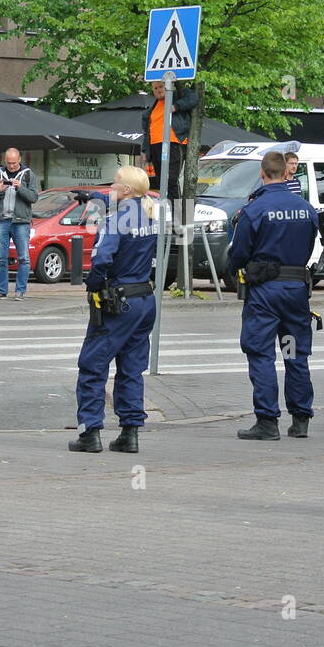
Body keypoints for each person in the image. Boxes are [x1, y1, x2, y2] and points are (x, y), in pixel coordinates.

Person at [227, 150, 319, 440]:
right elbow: (311, 243)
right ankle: (300, 418)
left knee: (262, 353)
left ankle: (267, 421)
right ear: (285, 173)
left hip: (266, 294)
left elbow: (238, 254)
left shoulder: (255, 209)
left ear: (263, 174)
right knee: (293, 353)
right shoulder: (305, 208)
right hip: (296, 292)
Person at [69, 165, 160, 453]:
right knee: (131, 369)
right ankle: (129, 434)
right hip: (144, 300)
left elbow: (103, 260)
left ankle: (90, 432)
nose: (111, 187)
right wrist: (92, 196)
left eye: (115, 182)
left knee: (92, 366)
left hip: (118, 302)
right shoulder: (150, 214)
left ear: (126, 190)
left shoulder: (116, 220)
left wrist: (93, 286)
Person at [0, 148, 39, 301]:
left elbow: (34, 197)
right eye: (8, 163)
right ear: (4, 161)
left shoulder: (28, 175)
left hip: (21, 222)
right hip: (1, 220)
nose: (11, 166)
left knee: (23, 258)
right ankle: (1, 290)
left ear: (19, 159)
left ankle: (20, 291)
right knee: (0, 258)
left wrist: (20, 187)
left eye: (14, 163)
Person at [142, 79, 194, 197]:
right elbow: (147, 132)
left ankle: (176, 212)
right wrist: (145, 150)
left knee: (171, 180)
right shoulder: (152, 107)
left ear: (168, 86)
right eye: (155, 88)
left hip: (173, 143)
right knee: (161, 182)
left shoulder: (176, 97)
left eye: (161, 87)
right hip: (155, 146)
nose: (159, 90)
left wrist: (176, 106)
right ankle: (167, 209)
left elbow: (193, 98)